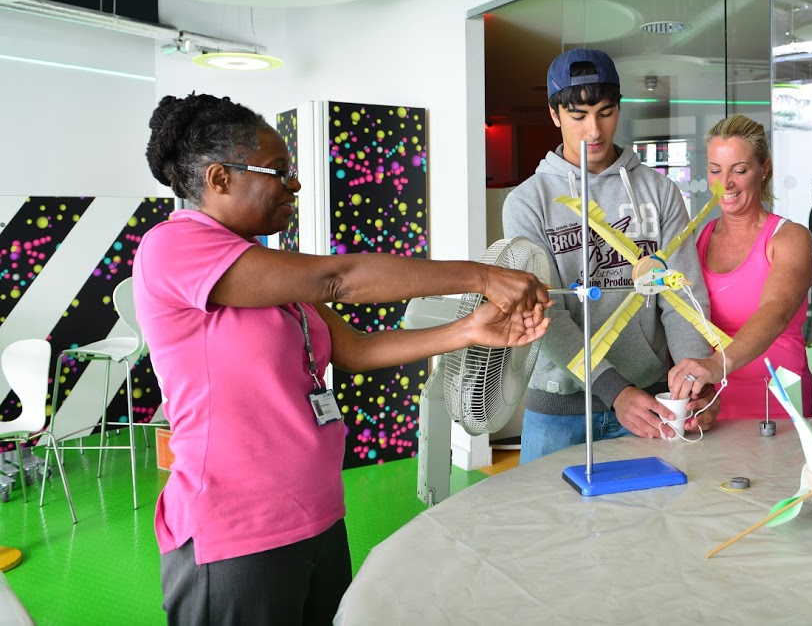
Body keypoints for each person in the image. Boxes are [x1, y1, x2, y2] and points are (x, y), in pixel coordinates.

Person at [133, 93, 551, 625]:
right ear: (219, 179)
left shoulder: (269, 269)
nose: (296, 185)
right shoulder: (172, 247)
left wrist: (470, 329)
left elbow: (353, 349)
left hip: (314, 513)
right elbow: (340, 279)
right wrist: (482, 275)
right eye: (279, 171)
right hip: (235, 529)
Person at [503, 48, 719, 463]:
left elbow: (681, 298)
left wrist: (695, 382)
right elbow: (543, 315)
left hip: (654, 402)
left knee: (651, 522)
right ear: (554, 115)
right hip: (560, 409)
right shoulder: (527, 202)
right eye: (578, 116)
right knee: (548, 526)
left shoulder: (659, 191)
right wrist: (614, 390)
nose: (594, 131)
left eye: (605, 112)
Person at [668, 115, 812, 418]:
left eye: (740, 170)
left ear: (765, 169)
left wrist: (716, 364)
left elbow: (776, 311)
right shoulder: (697, 241)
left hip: (779, 402)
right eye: (715, 171)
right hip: (712, 402)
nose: (726, 184)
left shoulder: (790, 238)